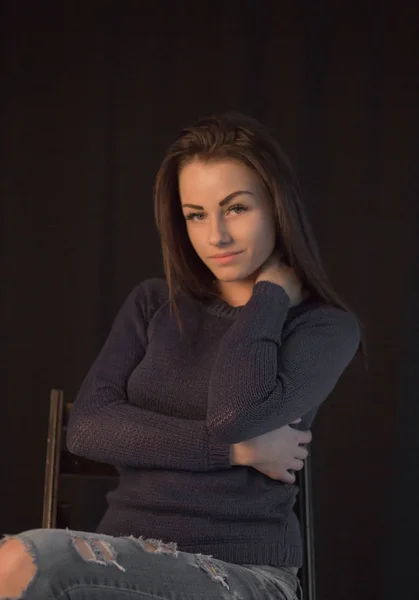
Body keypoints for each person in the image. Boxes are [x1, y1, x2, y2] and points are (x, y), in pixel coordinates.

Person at [0, 112, 363, 599]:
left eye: (236, 208)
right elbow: (89, 427)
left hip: (244, 574)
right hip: (122, 558)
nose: (217, 236)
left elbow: (237, 413)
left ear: (276, 207)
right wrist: (232, 453)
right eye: (196, 214)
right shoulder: (155, 303)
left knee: (22, 561)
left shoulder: (323, 328)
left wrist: (269, 297)